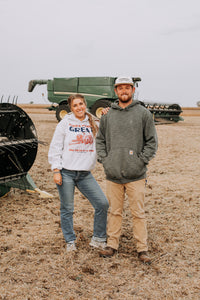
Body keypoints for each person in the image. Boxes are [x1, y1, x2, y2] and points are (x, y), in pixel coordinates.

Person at [96, 76, 158, 263]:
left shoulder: (143, 114)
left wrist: (141, 162)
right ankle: (112, 245)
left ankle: (142, 249)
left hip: (136, 175)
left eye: (127, 88)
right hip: (113, 173)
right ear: (116, 91)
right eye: (120, 88)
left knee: (138, 213)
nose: (124, 91)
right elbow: (100, 140)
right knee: (114, 211)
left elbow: (151, 142)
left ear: (133, 90)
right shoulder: (107, 115)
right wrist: (105, 160)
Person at [48, 94, 109, 252]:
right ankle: (70, 241)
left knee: (102, 203)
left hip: (84, 174)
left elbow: (107, 132)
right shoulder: (65, 123)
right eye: (75, 105)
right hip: (66, 172)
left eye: (81, 104)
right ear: (71, 108)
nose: (79, 107)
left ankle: (99, 238)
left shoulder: (94, 122)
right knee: (67, 208)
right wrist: (56, 170)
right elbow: (55, 147)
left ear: (85, 104)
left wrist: (108, 115)